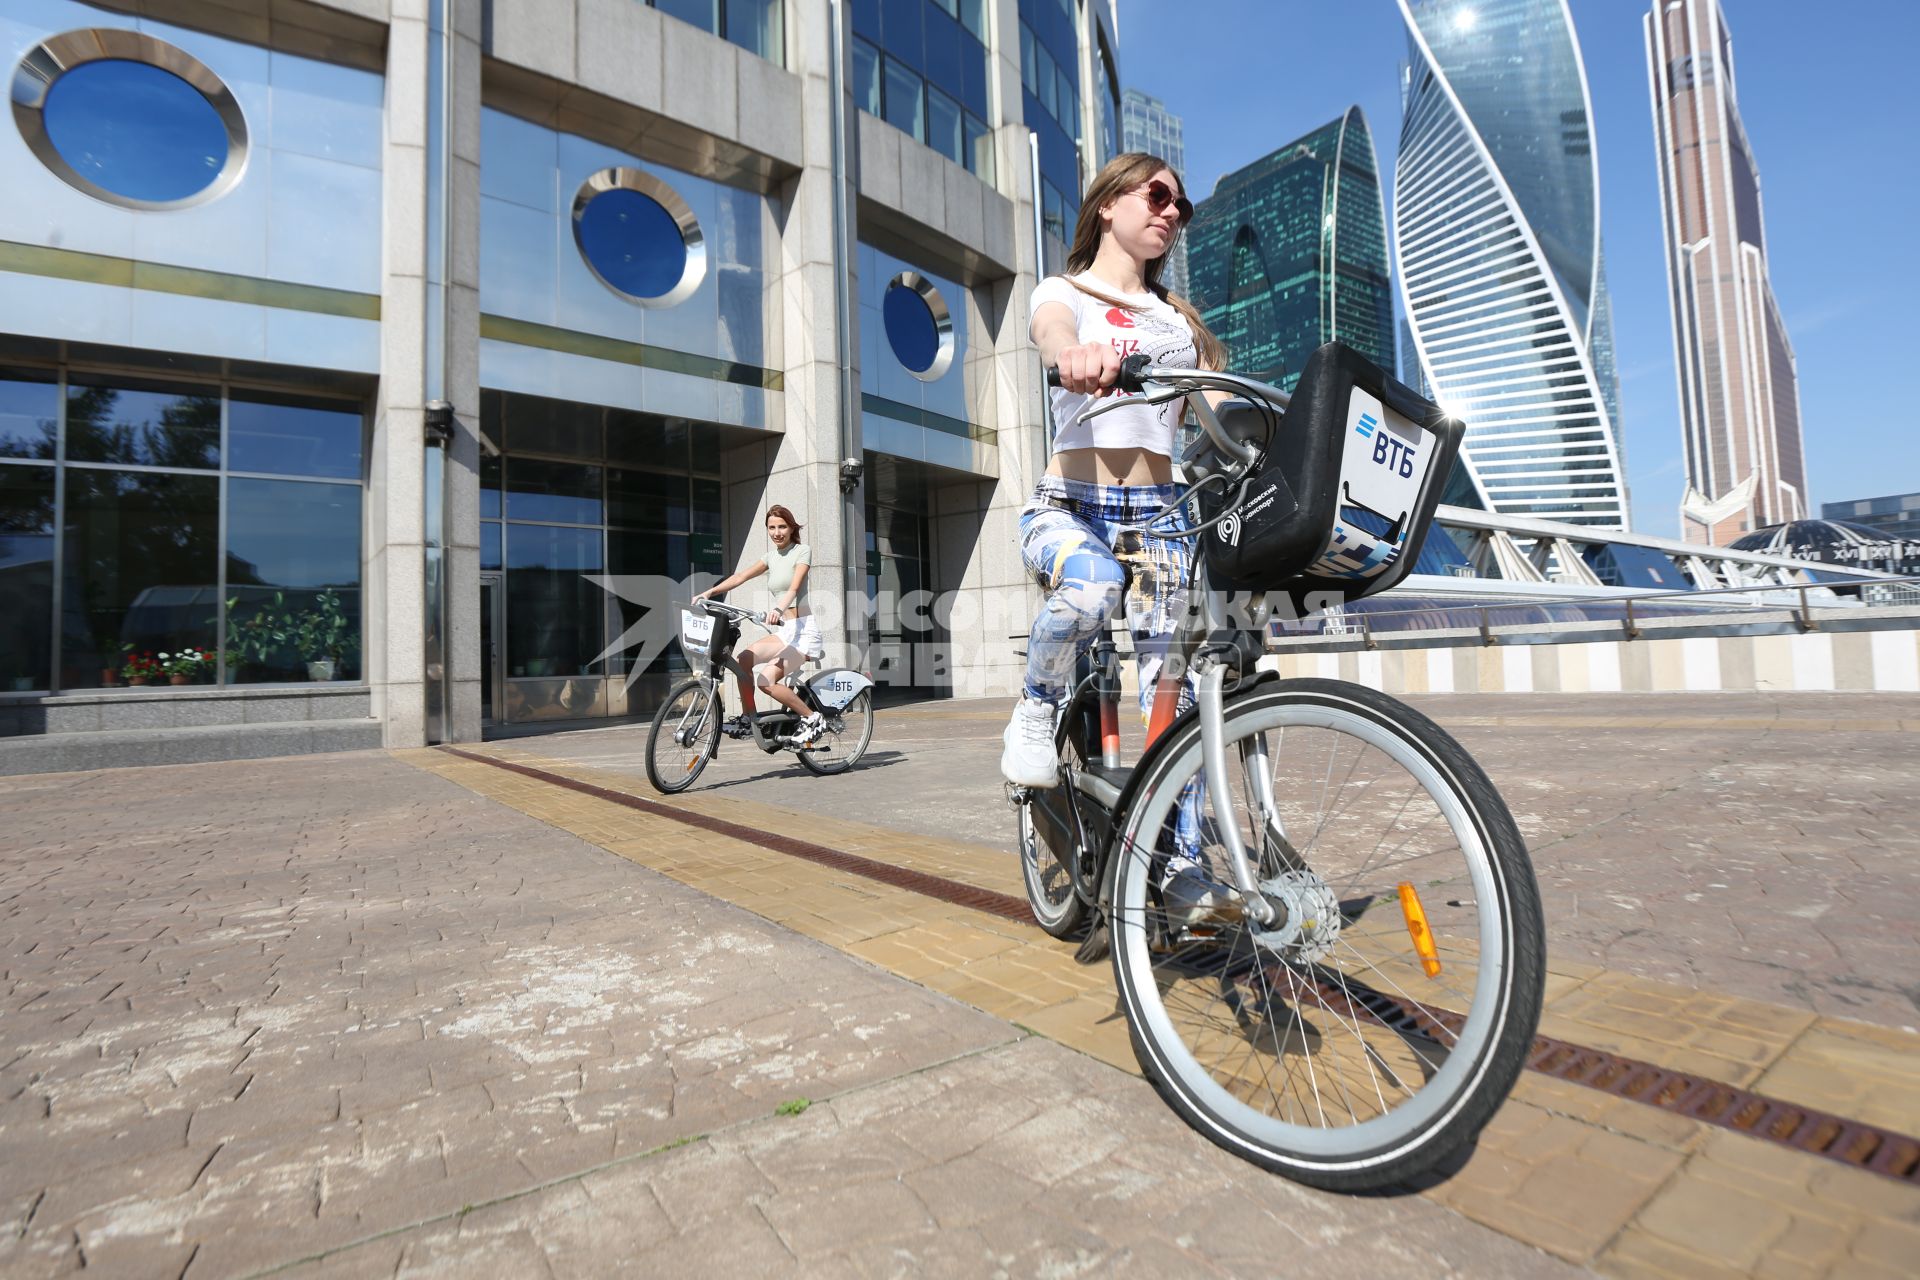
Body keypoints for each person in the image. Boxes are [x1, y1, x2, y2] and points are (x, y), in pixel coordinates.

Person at [1003, 152, 1230, 920]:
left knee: (1179, 695)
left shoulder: (1178, 322)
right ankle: (1037, 707)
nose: (1171, 211)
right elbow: (1050, 329)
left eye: (1181, 206)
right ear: (1108, 204)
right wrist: (1071, 354)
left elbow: (1211, 414)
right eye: (1158, 194)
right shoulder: (1064, 293)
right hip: (1070, 506)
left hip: (1162, 517)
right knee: (1092, 586)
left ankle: (1180, 863)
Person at [693, 505, 828, 746]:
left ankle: (813, 717)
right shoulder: (770, 558)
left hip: (804, 632)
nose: (777, 532)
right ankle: (749, 718)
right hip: (787, 632)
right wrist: (710, 592)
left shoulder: (802, 551)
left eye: (782, 527)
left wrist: (777, 609)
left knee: (766, 681)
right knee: (743, 659)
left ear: (792, 528)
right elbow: (739, 577)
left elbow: (794, 588)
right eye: (772, 527)